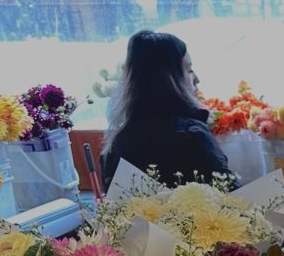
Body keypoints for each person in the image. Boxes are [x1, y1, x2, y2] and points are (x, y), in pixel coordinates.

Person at [101, 30, 236, 189]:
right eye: (189, 70)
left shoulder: (118, 142)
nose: (197, 79)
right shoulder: (192, 137)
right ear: (170, 79)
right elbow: (231, 198)